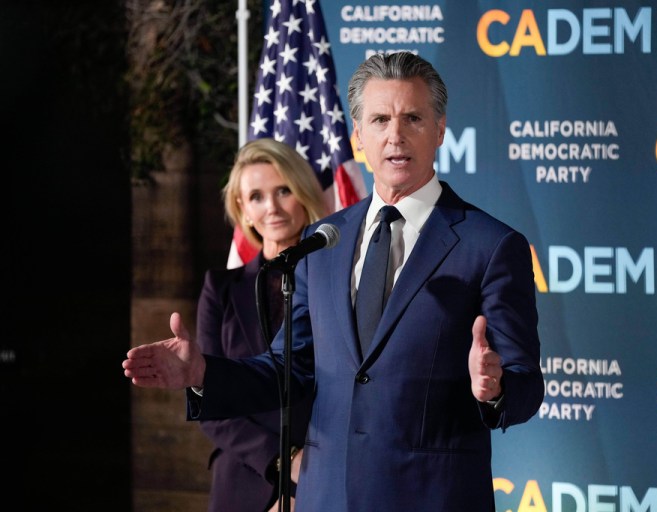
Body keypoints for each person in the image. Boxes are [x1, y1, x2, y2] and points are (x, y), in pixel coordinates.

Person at [123, 51, 544, 512]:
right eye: (380, 120)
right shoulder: (323, 242)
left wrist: (496, 389)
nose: (396, 135)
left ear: (440, 129)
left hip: (432, 498)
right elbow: (288, 368)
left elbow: (525, 383)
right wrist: (203, 372)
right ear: (358, 135)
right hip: (326, 496)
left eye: (413, 118)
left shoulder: (491, 245)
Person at [195, 138, 329, 512]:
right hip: (242, 484)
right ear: (243, 208)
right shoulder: (219, 289)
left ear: (303, 192)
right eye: (256, 196)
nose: (272, 207)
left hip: (323, 482)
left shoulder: (339, 285)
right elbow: (208, 403)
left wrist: (306, 483)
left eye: (283, 190)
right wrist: (284, 460)